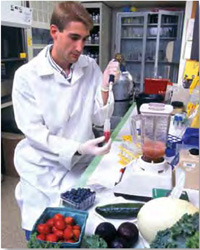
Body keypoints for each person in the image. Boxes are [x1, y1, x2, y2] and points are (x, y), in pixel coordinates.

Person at [12, 1, 119, 238]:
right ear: (54, 32)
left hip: (79, 167)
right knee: (42, 232)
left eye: (84, 39)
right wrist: (77, 147)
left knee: (79, 230)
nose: (80, 47)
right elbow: (35, 133)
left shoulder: (88, 66)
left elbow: (100, 117)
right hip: (42, 168)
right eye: (73, 37)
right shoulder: (27, 77)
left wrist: (103, 85)